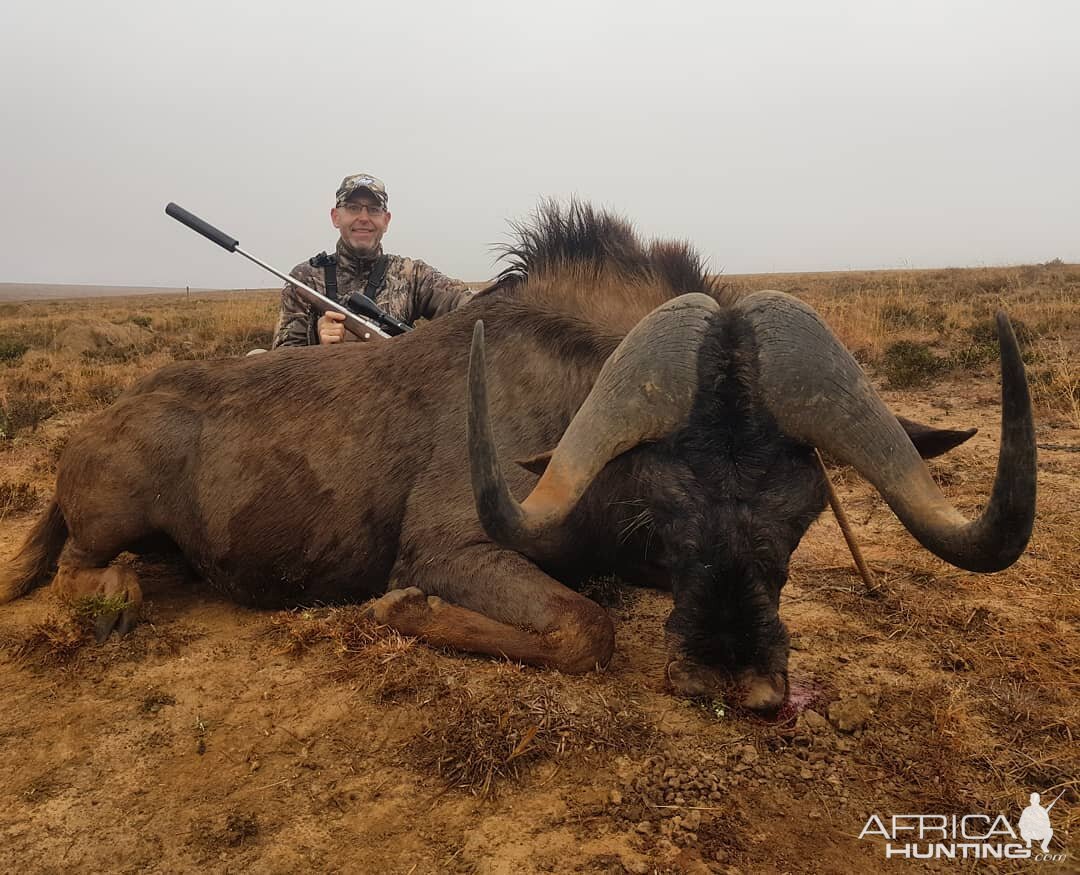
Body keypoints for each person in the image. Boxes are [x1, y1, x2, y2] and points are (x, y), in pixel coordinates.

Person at [271, 173, 473, 348]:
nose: (364, 217)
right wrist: (316, 341)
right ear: (335, 217)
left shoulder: (412, 274)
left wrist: (502, 294)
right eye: (353, 208)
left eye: (374, 209)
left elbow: (466, 303)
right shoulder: (304, 279)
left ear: (386, 221)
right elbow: (280, 360)